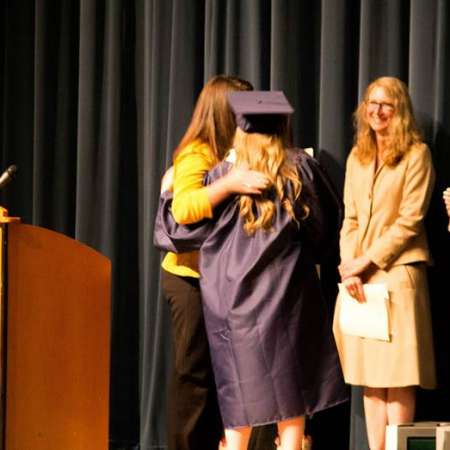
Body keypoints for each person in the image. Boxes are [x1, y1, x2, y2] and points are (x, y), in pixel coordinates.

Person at [155, 91, 347, 450]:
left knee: (238, 398)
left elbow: (180, 232)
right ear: (282, 128)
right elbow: (324, 230)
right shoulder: (300, 169)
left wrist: (170, 195)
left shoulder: (222, 176)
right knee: (292, 400)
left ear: (240, 131)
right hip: (288, 299)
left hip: (233, 302)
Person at [160, 75, 273, 450]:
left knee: (223, 374)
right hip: (190, 280)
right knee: (194, 377)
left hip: (220, 282)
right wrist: (229, 184)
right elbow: (183, 208)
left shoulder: (232, 151)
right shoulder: (197, 152)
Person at [332, 76, 436, 450]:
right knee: (371, 378)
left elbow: (410, 221)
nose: (376, 111)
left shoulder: (417, 154)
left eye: (386, 105)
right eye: (371, 104)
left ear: (400, 111)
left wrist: (365, 262)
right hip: (360, 280)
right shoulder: (357, 158)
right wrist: (350, 267)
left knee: (398, 376)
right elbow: (351, 220)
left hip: (398, 276)